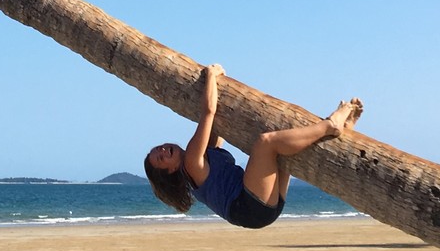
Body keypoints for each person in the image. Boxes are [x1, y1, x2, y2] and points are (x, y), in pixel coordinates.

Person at [143, 64, 361, 229]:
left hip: (259, 208)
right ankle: (330, 124)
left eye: (159, 148)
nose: (163, 151)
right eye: (161, 159)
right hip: (249, 207)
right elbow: (207, 113)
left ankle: (339, 134)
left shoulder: (200, 157)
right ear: (171, 170)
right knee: (267, 143)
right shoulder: (191, 162)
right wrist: (211, 75)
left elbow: (215, 122)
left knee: (288, 147)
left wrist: (222, 85)